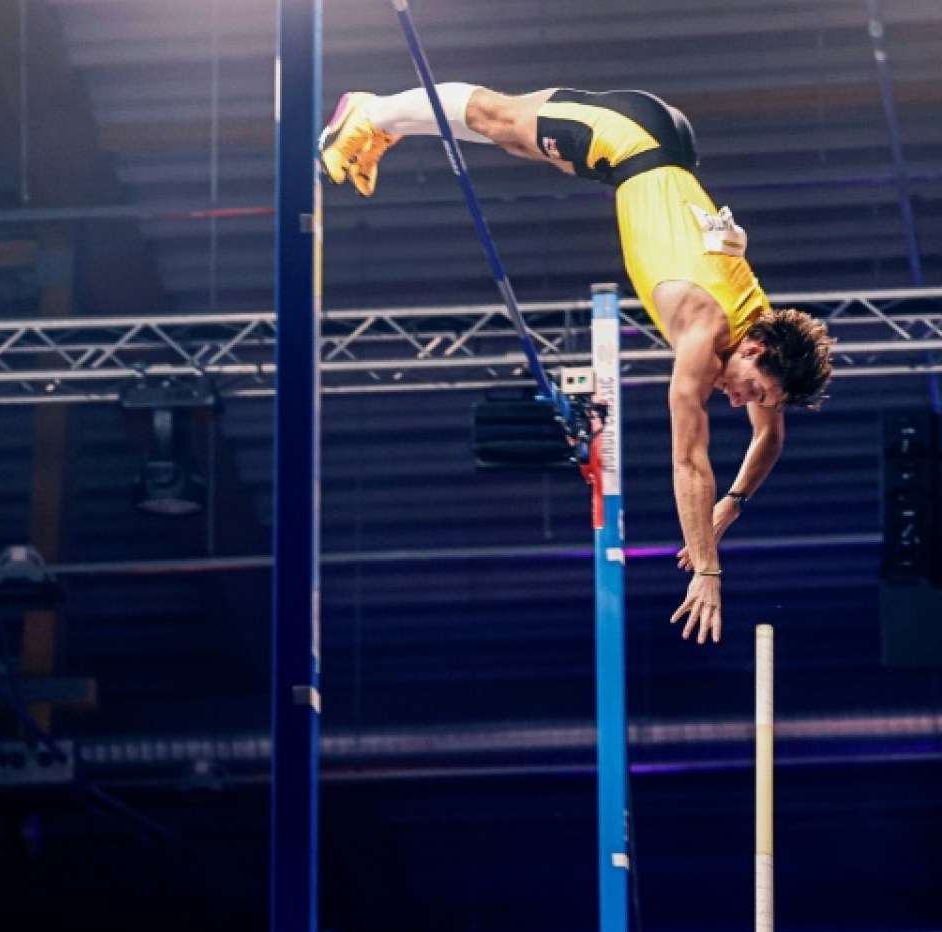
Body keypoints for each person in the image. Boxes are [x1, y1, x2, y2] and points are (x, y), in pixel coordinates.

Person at [319, 85, 834, 645]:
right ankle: (368, 112)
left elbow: (770, 439)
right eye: (753, 391)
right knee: (499, 118)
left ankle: (387, 126)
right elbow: (689, 463)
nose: (742, 402)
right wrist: (709, 572)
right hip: (631, 136)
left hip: (649, 153)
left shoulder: (760, 327)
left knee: (518, 143)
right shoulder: (702, 332)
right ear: (755, 351)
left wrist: (732, 506)